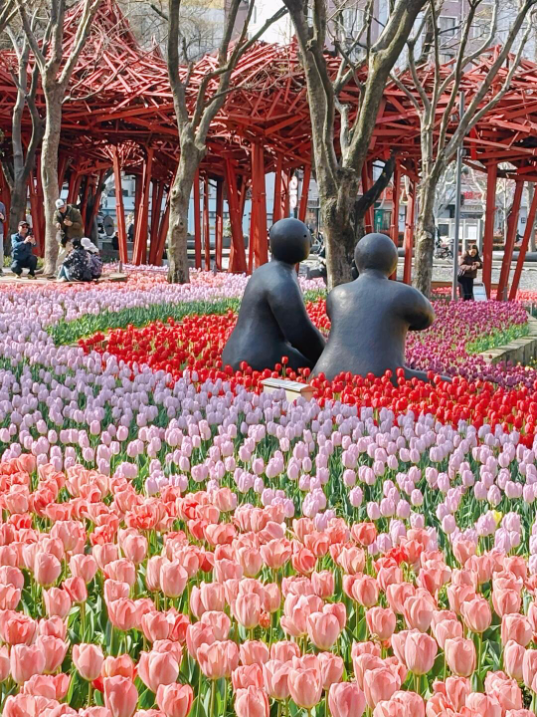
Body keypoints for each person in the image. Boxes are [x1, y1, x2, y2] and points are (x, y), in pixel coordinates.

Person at [313, 233, 436, 383]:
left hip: (323, 375)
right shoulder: (404, 294)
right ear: (393, 264)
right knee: (446, 383)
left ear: (356, 262)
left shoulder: (336, 294)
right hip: (380, 377)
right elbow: (427, 318)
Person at [222, 218, 325, 372]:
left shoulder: (264, 271)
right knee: (317, 369)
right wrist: (325, 354)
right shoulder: (282, 280)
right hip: (257, 358)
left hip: (235, 353)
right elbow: (299, 333)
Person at [54, 198, 83, 265]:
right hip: (64, 238)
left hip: (75, 237)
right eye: (59, 208)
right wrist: (57, 224)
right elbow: (55, 220)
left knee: (76, 256)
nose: (61, 209)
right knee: (61, 255)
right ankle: (59, 269)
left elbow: (80, 225)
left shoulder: (75, 212)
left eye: (62, 207)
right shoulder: (57, 213)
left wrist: (71, 224)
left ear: (65, 204)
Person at [0, 190, 6, 275]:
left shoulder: (1, 205)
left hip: (0, 231)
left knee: (0, 251)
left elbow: (5, 220)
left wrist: (2, 217)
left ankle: (0, 269)